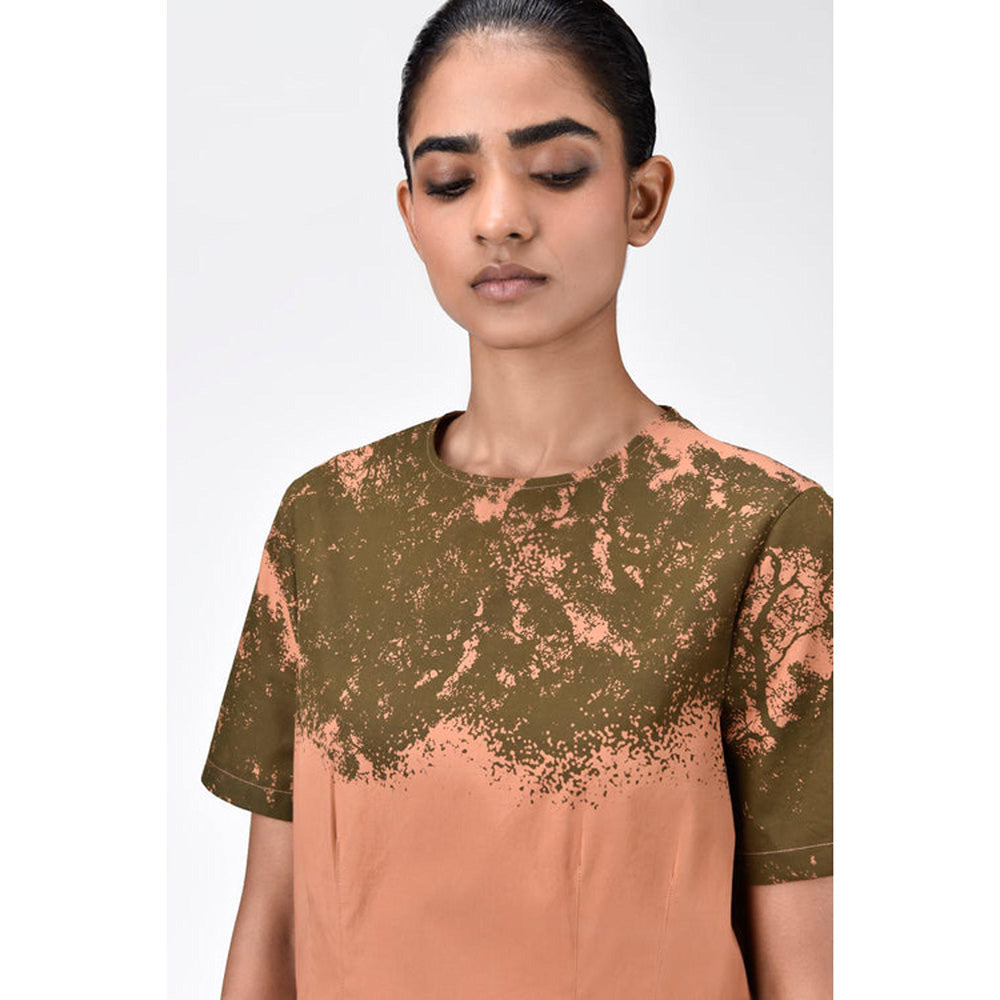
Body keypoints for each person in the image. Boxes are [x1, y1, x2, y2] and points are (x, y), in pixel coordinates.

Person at [199, 1, 833, 997]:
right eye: (451, 181)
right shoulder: (327, 521)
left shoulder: (760, 530)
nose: (499, 217)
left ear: (642, 199)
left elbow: (809, 965)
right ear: (411, 216)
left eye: (557, 170)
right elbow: (270, 928)